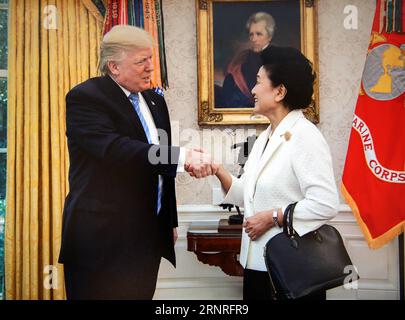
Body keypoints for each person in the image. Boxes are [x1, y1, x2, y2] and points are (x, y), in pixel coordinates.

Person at [58, 25, 216, 299]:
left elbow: (160, 165)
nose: (150, 67)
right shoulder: (86, 97)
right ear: (114, 66)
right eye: (141, 61)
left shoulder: (155, 100)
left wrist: (169, 220)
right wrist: (182, 157)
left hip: (146, 241)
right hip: (100, 243)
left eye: (151, 59)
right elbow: (117, 150)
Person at [213, 46, 339, 300]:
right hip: (258, 265)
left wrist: (273, 217)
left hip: (291, 271)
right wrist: (216, 169)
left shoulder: (306, 136)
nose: (252, 90)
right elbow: (244, 195)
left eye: (258, 82)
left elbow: (325, 204)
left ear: (280, 91)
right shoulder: (264, 139)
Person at [219, 12, 275, 108]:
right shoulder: (241, 58)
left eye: (258, 34)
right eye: (251, 35)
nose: (253, 39)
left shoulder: (278, 57)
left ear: (269, 37)